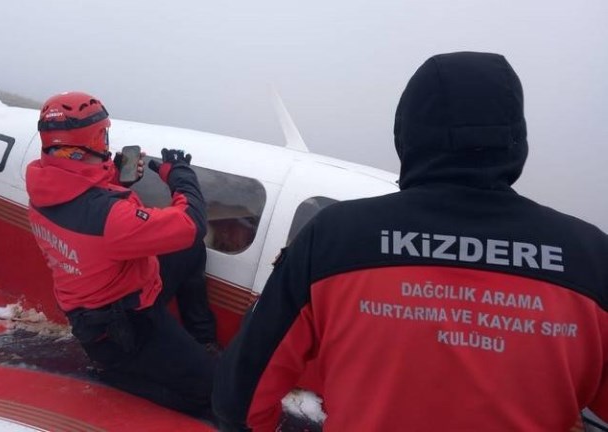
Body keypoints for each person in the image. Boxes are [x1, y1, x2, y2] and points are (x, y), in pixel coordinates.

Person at [212, 52, 608, 431]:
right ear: (516, 139)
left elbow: (240, 398)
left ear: (407, 134)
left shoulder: (333, 237)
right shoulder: (591, 260)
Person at [25, 91, 215, 417]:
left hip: (114, 289)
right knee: (216, 391)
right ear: (93, 140)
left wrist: (113, 175)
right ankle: (117, 376)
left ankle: (201, 337)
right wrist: (181, 175)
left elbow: (79, 195)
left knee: (189, 252)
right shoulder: (111, 218)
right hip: (121, 327)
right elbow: (192, 224)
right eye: (104, 135)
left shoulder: (43, 183)